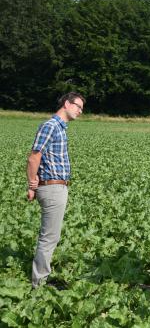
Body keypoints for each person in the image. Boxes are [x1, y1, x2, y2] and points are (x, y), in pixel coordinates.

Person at [27, 92, 85, 289]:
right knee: (49, 236)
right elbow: (34, 156)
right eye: (78, 106)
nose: (80, 111)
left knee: (52, 235)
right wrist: (31, 182)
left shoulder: (60, 128)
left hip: (57, 186)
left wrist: (34, 182)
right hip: (52, 188)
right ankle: (39, 283)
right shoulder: (50, 126)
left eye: (81, 108)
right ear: (67, 104)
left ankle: (42, 277)